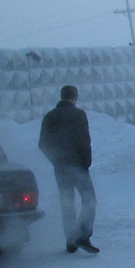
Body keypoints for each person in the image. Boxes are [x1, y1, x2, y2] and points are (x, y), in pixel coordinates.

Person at [38, 85, 99, 254]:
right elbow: (84, 141)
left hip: (60, 167)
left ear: (61, 96)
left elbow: (43, 144)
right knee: (89, 200)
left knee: (67, 202)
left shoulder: (50, 116)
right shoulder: (79, 115)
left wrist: (55, 160)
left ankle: (71, 241)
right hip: (78, 166)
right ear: (76, 97)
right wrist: (86, 163)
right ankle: (83, 235)